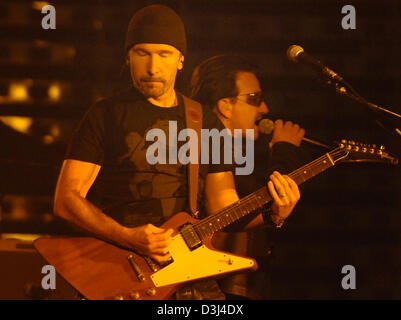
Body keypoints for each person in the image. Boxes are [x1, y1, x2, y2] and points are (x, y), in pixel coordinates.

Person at [53, 5, 301, 300]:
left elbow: (224, 209)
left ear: (180, 60)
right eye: (142, 53)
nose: (153, 67)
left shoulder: (202, 120)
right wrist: (128, 236)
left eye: (164, 54)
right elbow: (66, 201)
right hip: (119, 276)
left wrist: (274, 214)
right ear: (127, 56)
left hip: (190, 283)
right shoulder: (104, 115)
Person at [190, 54, 306, 299]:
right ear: (225, 105)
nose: (265, 109)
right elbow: (248, 203)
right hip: (217, 288)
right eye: (255, 99)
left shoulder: (239, 151)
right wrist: (285, 151)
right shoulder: (209, 149)